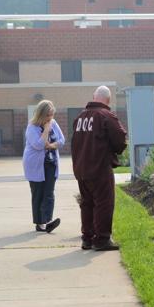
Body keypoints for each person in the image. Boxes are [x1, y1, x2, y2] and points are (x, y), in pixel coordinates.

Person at [71, 85, 127, 251]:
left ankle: (87, 238)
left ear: (94, 97)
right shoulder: (106, 116)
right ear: (108, 100)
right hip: (100, 168)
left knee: (86, 203)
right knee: (104, 203)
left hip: (81, 169)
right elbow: (120, 140)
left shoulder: (80, 117)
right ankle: (102, 239)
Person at [23, 99, 65, 233]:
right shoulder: (32, 127)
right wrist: (46, 129)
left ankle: (48, 221)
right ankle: (40, 224)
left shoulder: (54, 123)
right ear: (40, 114)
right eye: (48, 115)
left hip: (51, 162)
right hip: (35, 165)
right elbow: (38, 145)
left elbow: (61, 140)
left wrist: (51, 145)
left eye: (52, 115)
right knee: (38, 194)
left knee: (49, 192)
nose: (50, 118)